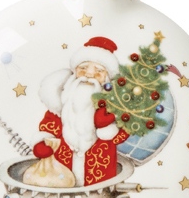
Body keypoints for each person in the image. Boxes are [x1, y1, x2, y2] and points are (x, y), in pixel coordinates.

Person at [32, 37, 129, 186]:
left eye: (99, 70)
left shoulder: (113, 106)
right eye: (83, 68)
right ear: (75, 71)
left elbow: (123, 133)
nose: (89, 74)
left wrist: (109, 128)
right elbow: (49, 125)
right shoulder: (62, 102)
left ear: (107, 77)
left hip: (99, 173)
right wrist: (42, 142)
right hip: (61, 173)